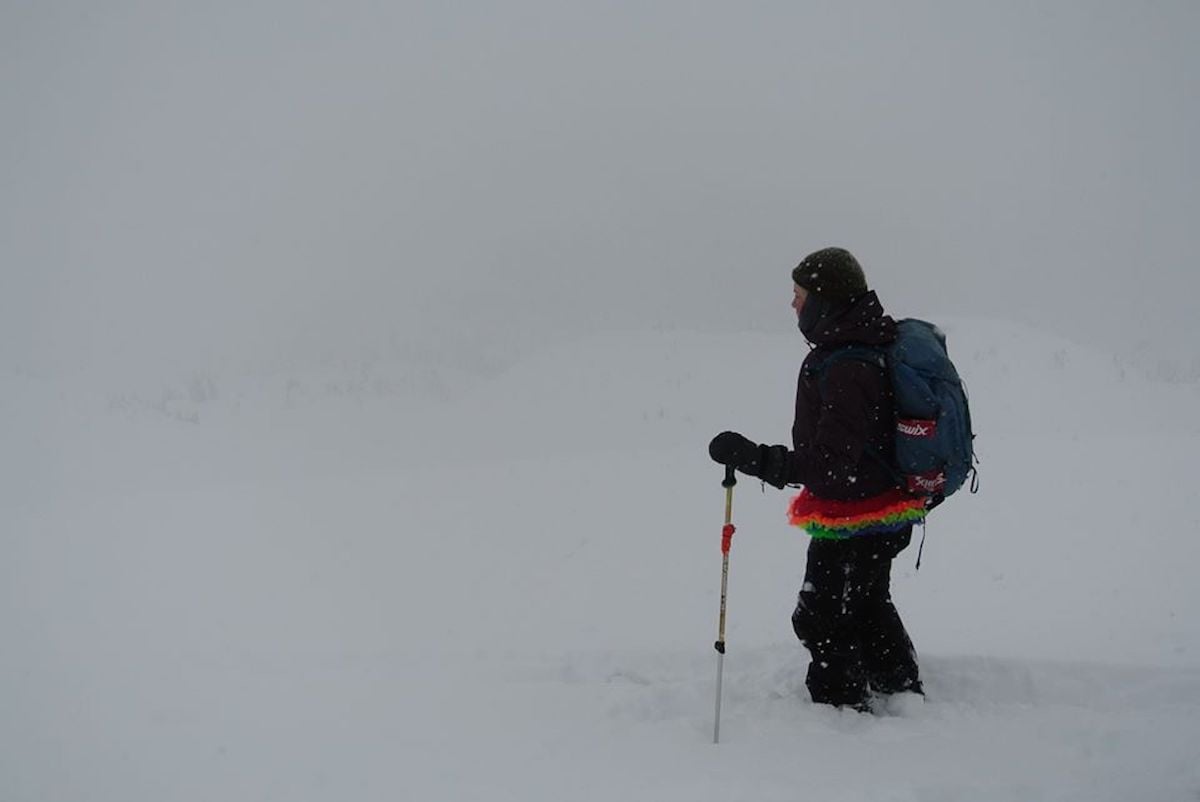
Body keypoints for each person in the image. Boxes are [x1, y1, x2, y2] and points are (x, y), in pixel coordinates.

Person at [708, 247, 923, 712]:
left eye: (799, 294)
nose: (793, 304)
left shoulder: (849, 364)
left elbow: (829, 464)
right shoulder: (855, 349)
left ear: (825, 300)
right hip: (876, 506)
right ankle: (898, 688)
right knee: (866, 602)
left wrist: (753, 458)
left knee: (821, 614)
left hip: (857, 512)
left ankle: (841, 712)